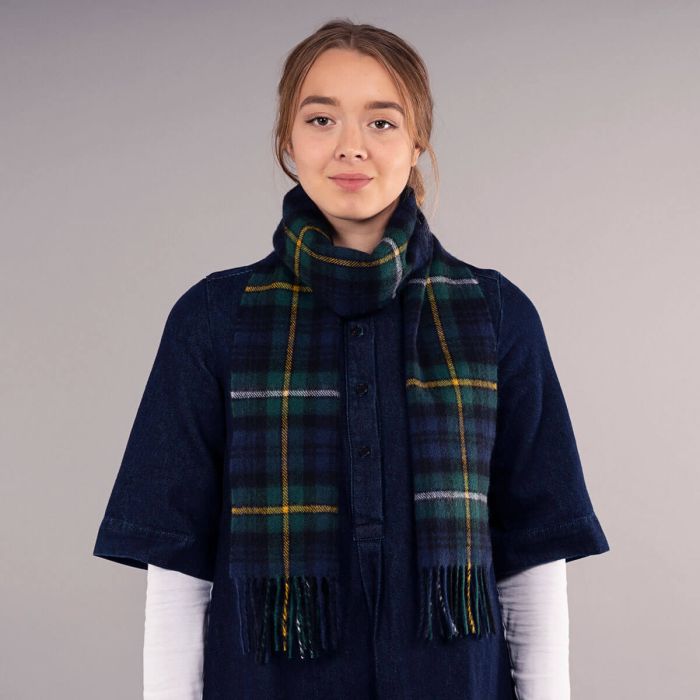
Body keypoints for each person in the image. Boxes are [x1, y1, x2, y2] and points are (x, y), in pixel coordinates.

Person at [93, 19, 610, 700]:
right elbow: (178, 573)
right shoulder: (214, 319)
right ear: (287, 140)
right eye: (321, 119)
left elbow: (532, 565)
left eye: (382, 122)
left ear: (418, 140)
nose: (350, 146)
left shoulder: (496, 316)